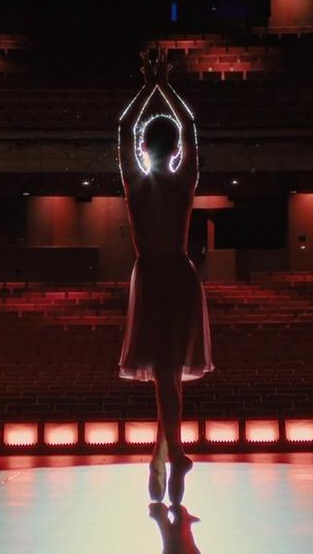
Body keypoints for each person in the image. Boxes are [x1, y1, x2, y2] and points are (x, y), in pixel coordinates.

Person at [116, 49, 213, 506]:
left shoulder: (135, 182)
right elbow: (190, 125)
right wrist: (165, 88)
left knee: (165, 372)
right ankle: (166, 457)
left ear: (142, 148)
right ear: (175, 150)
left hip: (154, 275)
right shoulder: (184, 179)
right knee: (167, 374)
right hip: (178, 274)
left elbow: (124, 128)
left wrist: (147, 88)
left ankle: (172, 453)